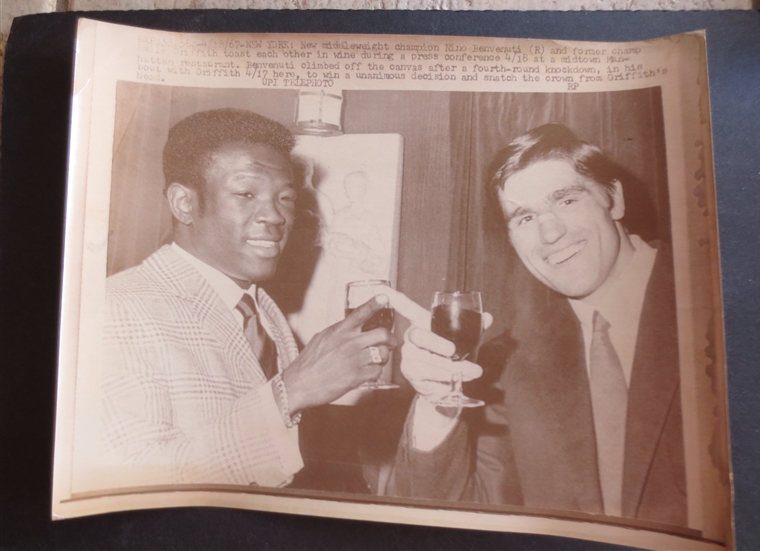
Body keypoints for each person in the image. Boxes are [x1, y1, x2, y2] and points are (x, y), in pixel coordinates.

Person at [387, 123, 686, 526]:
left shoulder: (716, 304)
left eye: (565, 200)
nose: (550, 233)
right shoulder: (508, 362)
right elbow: (456, 518)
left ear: (613, 198)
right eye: (525, 218)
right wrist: (434, 402)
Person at [100, 108, 398, 488]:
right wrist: (291, 392)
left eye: (285, 198)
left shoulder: (265, 314)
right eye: (246, 193)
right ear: (184, 204)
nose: (275, 216)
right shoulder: (117, 309)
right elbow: (129, 484)